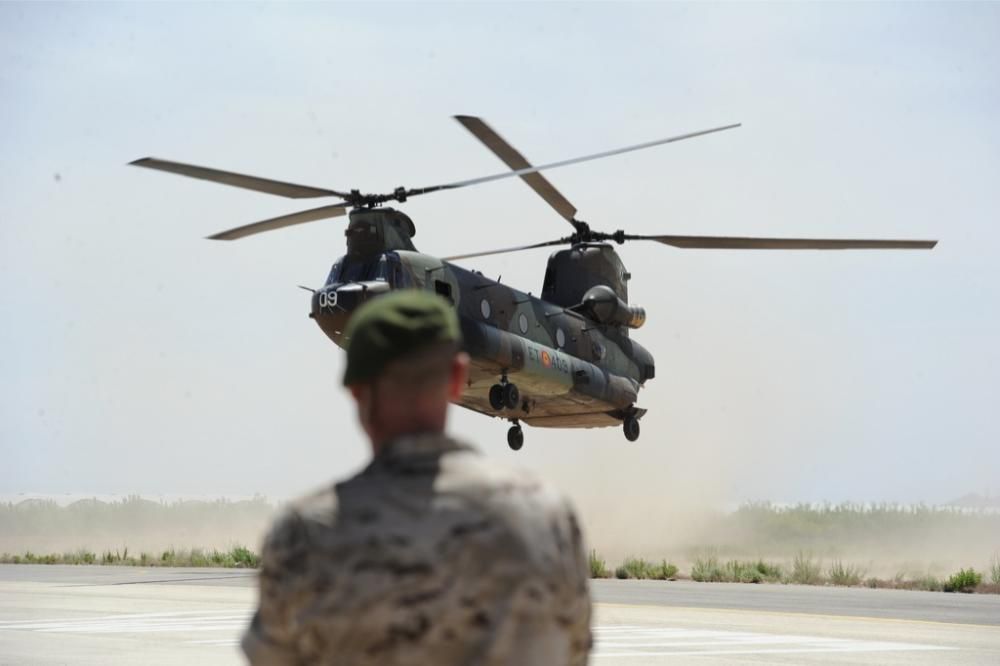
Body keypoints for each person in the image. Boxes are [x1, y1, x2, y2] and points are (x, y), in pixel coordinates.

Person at [242, 289, 592, 666]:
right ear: (458, 378)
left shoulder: (304, 534)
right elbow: (575, 650)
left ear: (357, 392)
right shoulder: (547, 516)